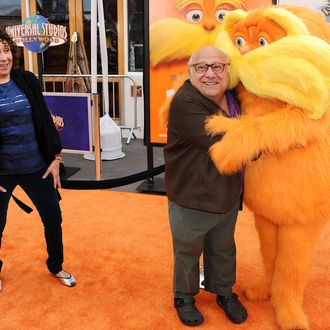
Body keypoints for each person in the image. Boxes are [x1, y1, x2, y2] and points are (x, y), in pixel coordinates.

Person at [164, 46, 247, 326]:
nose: (210, 74)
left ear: (228, 70)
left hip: (226, 194)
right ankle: (184, 297)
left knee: (223, 249)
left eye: (217, 67)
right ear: (190, 72)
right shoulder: (186, 102)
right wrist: (265, 139)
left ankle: (224, 292)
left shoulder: (236, 98)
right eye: (201, 68)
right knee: (187, 252)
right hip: (192, 197)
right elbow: (227, 145)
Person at [0, 29, 76, 290]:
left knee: (53, 219)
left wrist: (55, 157)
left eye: (6, 50)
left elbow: (44, 119)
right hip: (2, 172)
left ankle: (56, 266)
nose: (3, 58)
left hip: (37, 168)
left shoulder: (26, 80)